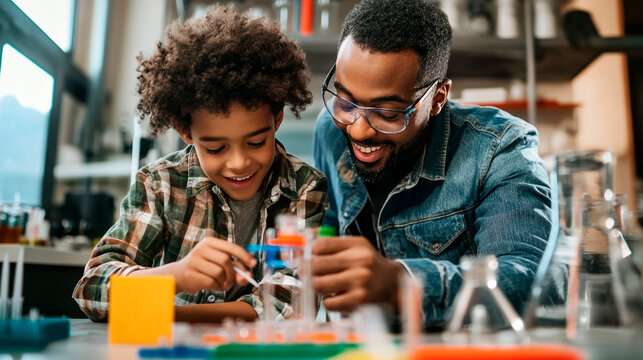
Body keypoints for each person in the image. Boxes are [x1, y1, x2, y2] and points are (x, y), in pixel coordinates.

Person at [73, 6, 327, 322]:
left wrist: (163, 311)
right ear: (185, 131)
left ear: (277, 119)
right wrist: (174, 276)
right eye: (216, 147)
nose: (238, 163)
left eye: (256, 142)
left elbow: (288, 308)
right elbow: (92, 288)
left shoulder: (305, 187)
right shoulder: (160, 183)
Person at [312, 0, 551, 326]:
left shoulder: (499, 149)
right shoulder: (329, 131)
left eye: (388, 113)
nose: (358, 128)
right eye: (346, 101)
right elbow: (324, 232)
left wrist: (401, 283)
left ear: (438, 97)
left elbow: (531, 284)